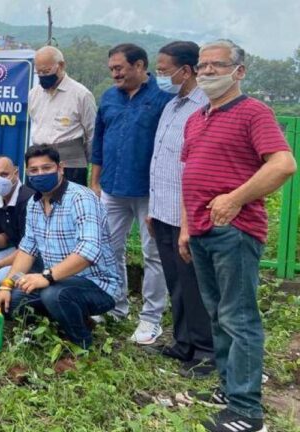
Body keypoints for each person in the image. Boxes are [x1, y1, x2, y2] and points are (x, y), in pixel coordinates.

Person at [180, 40, 296, 432]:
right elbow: (190, 175)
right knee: (218, 314)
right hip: (200, 230)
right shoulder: (197, 118)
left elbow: (283, 164)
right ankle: (229, 388)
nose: (207, 72)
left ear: (239, 71)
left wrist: (235, 199)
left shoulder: (254, 113)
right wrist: (185, 227)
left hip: (234, 231)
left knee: (238, 316)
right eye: (202, 66)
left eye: (217, 65)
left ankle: (247, 411)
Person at [0, 145, 120, 350]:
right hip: (58, 280)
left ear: (60, 168)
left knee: (54, 295)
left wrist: (46, 277)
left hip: (96, 284)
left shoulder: (81, 198)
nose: (40, 174)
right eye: (34, 170)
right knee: (14, 300)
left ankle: (81, 344)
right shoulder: (34, 204)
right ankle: (61, 326)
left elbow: (88, 251)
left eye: (47, 168)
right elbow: (27, 249)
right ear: (27, 173)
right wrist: (6, 285)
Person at [90, 43, 174, 345]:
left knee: (154, 255)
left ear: (140, 66)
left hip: (150, 191)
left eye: (119, 69)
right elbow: (99, 139)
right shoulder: (110, 97)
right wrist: (95, 180)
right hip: (112, 187)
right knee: (109, 250)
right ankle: (116, 305)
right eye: (111, 69)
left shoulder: (164, 98)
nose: (114, 75)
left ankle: (151, 318)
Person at [146, 41, 214, 377]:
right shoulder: (173, 106)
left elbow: (196, 169)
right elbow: (162, 160)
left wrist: (188, 221)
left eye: (162, 69)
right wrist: (153, 208)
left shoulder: (205, 109)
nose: (159, 75)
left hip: (187, 214)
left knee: (195, 284)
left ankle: (204, 351)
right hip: (163, 210)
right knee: (176, 280)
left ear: (185, 70)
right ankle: (183, 342)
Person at [28, 46, 96, 186]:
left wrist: (91, 168)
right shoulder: (34, 94)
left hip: (71, 165)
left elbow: (92, 134)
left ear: (61, 65)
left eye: (46, 71)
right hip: (39, 163)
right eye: (39, 72)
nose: (43, 76)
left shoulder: (81, 94)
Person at [0, 155, 39, 286]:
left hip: (37, 255)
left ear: (16, 173)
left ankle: (22, 303)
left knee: (2, 276)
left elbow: (29, 248)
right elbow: (4, 240)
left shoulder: (29, 200)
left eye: (4, 174)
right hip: (17, 250)